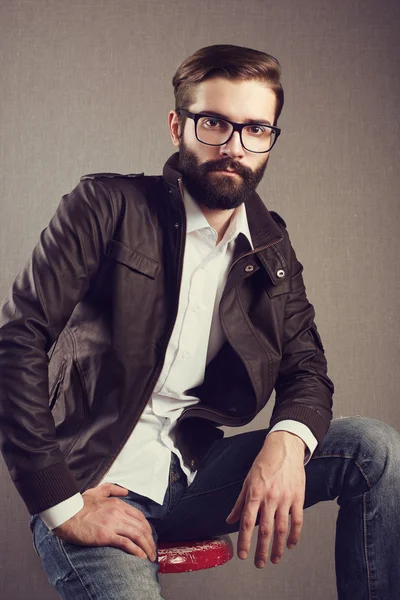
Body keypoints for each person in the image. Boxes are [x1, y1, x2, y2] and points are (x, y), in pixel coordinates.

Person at [0, 44, 399, 600]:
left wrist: (287, 442)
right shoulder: (105, 206)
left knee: (374, 449)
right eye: (214, 123)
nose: (234, 147)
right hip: (93, 482)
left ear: (270, 138)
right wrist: (61, 501)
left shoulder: (271, 245)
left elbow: (307, 368)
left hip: (193, 475)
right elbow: (17, 341)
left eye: (256, 129)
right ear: (177, 126)